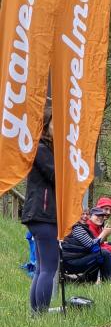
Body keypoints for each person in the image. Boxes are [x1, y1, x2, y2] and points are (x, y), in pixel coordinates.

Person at [20, 109, 58, 314]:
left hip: (39, 215)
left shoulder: (43, 148)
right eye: (54, 123)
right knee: (49, 268)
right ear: (45, 125)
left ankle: (36, 314)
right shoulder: (41, 149)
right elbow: (56, 176)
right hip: (43, 214)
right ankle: (41, 314)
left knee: (42, 268)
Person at [61, 207, 111, 282]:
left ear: (89, 216)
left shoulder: (83, 227)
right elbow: (92, 245)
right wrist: (104, 233)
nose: (85, 216)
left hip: (77, 258)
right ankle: (109, 281)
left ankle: (90, 281)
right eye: (82, 214)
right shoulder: (77, 228)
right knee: (103, 253)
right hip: (71, 263)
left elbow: (94, 246)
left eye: (87, 214)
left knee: (100, 253)